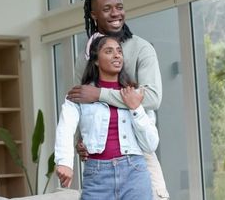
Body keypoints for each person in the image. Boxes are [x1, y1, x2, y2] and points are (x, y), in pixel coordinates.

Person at [67, 0, 170, 199]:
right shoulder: (84, 58)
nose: (115, 13)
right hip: (100, 161)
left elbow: (152, 98)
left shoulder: (142, 49)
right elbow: (78, 102)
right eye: (107, 9)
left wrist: (99, 95)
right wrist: (80, 140)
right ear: (94, 15)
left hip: (139, 153)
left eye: (119, 7)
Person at [55, 36, 159, 200]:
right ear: (96, 60)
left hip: (135, 173)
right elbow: (65, 128)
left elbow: (151, 144)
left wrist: (136, 108)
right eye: (109, 51)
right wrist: (64, 162)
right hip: (96, 176)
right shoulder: (80, 94)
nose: (117, 55)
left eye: (119, 51)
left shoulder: (135, 95)